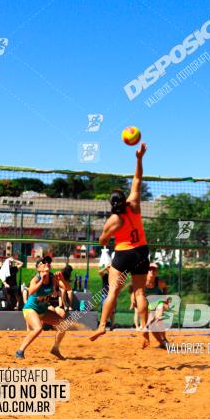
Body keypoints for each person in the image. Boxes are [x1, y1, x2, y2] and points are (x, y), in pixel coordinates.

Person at [90, 143, 149, 342]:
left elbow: (102, 240)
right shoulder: (134, 204)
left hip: (124, 254)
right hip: (141, 252)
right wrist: (139, 158)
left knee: (113, 291)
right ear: (124, 200)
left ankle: (101, 326)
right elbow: (137, 179)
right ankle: (143, 328)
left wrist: (106, 236)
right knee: (140, 293)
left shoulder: (113, 220)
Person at [15, 259, 69, 360]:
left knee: (63, 325)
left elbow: (66, 288)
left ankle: (55, 349)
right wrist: (41, 280)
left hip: (43, 310)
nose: (46, 264)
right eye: (42, 264)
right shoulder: (36, 279)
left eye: (47, 263)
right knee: (38, 329)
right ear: (38, 269)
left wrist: (61, 279)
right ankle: (20, 351)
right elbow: (30, 291)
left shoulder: (53, 278)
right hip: (30, 309)